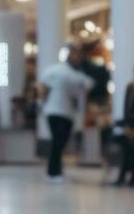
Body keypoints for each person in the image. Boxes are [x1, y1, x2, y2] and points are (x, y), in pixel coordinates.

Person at [36, 46, 94, 183]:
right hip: (55, 112)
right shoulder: (58, 71)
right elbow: (42, 87)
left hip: (66, 113)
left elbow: (88, 86)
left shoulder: (77, 75)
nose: (78, 58)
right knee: (58, 142)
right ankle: (53, 172)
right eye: (75, 55)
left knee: (59, 142)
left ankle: (56, 171)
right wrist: (42, 103)